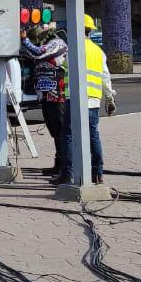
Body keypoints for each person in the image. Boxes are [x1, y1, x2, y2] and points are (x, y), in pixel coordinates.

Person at [58, 15, 117, 186]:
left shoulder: (72, 50)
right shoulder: (98, 52)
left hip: (75, 99)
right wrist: (109, 99)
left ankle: (67, 174)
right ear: (90, 30)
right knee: (93, 136)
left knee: (68, 136)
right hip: (93, 100)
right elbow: (105, 77)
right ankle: (97, 174)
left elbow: (62, 65)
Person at [21, 24, 68, 177]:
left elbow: (39, 54)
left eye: (35, 41)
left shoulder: (56, 43)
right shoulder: (44, 45)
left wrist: (25, 41)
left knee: (60, 131)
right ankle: (58, 165)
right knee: (54, 131)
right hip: (46, 96)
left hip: (57, 95)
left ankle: (64, 167)